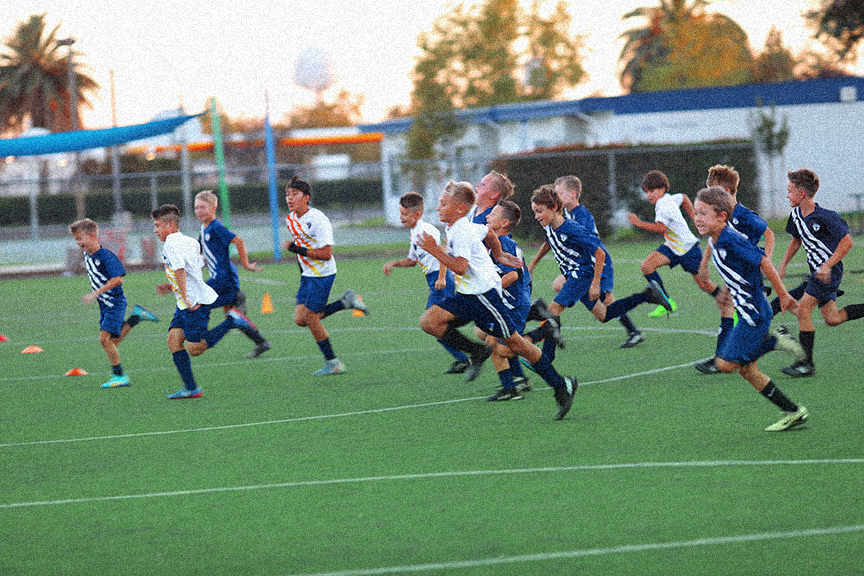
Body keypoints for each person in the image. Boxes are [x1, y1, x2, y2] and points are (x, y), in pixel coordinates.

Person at [418, 180, 576, 420]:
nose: (438, 208)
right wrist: (499, 254)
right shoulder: (463, 225)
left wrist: (434, 250)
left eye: (443, 204)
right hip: (467, 296)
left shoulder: (460, 229)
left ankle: (560, 385)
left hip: (485, 297)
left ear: (460, 208)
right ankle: (477, 353)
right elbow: (488, 232)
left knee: (517, 345)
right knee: (429, 322)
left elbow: (460, 267)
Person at [692, 186, 809, 431]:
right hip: (747, 310)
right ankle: (792, 411)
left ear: (722, 216)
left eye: (703, 213)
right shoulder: (716, 239)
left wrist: (783, 294)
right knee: (747, 370)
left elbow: (763, 261)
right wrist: (727, 290)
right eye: (695, 212)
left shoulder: (730, 239)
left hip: (754, 313)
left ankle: (774, 340)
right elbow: (737, 271)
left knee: (724, 364)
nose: (697, 218)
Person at [528, 185, 672, 357]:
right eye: (535, 212)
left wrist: (596, 282)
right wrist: (532, 264)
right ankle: (647, 295)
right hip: (576, 272)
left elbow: (597, 250)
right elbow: (550, 241)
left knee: (553, 311)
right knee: (604, 314)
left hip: (587, 270)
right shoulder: (550, 224)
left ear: (554, 208)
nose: (536, 216)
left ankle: (544, 359)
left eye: (539, 211)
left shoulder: (574, 222)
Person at [152, 204, 254, 399]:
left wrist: (186, 297)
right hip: (186, 302)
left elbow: (181, 270)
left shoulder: (171, 244)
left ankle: (233, 320)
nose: (155, 230)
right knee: (174, 341)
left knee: (195, 348)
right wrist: (171, 287)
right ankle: (191, 389)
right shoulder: (190, 241)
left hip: (192, 303)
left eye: (158, 226)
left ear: (171, 225)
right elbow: (193, 271)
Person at [771, 168, 864, 377]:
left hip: (829, 274)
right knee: (832, 318)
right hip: (817, 273)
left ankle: (806, 364)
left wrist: (828, 265)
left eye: (789, 191)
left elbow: (847, 242)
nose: (787, 195)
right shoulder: (795, 214)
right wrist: (783, 264)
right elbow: (796, 240)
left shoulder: (825, 216)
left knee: (803, 311)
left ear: (801, 194)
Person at [695, 165, 776, 374]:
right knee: (728, 308)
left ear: (728, 192)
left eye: (716, 192)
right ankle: (726, 355)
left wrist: (766, 260)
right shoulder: (718, 216)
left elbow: (769, 235)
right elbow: (712, 241)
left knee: (741, 311)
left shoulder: (745, 216)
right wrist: (704, 265)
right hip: (732, 272)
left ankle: (726, 356)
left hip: (747, 274)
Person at [283, 176, 368, 376]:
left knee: (312, 318)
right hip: (307, 275)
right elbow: (301, 253)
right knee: (300, 319)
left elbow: (326, 254)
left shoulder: (318, 219)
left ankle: (333, 362)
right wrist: (302, 272)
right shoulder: (291, 220)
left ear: (306, 197)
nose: (290, 198)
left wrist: (296, 249)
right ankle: (345, 302)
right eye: (287, 194)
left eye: (295, 194)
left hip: (322, 274)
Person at [383, 191, 471, 374]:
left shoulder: (426, 230)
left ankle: (465, 357)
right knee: (436, 326)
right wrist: (394, 263)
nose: (401, 218)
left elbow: (443, 252)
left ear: (418, 214)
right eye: (400, 214)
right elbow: (412, 260)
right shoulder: (414, 233)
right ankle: (463, 357)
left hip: (441, 279)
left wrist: (441, 277)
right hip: (433, 280)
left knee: (433, 324)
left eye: (405, 214)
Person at [69, 218, 159, 388]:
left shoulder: (106, 257)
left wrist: (95, 293)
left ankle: (119, 376)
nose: (78, 242)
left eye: (80, 238)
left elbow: (117, 280)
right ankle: (136, 317)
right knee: (112, 343)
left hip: (114, 303)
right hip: (105, 305)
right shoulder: (88, 255)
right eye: (76, 239)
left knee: (104, 340)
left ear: (92, 236)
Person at [194, 190, 270, 359]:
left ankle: (201, 338)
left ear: (213, 208)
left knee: (197, 302)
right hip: (221, 279)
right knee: (233, 315)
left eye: (203, 207)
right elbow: (199, 251)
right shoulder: (203, 228)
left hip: (223, 280)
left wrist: (246, 264)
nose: (199, 211)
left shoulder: (216, 227)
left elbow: (238, 240)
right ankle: (261, 342)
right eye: (196, 207)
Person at [627, 170, 715, 317]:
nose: (649, 195)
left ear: (662, 189)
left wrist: (639, 223)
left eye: (652, 191)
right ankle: (667, 302)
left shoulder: (663, 205)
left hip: (688, 249)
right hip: (673, 247)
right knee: (647, 266)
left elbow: (661, 228)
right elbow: (684, 198)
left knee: (705, 285)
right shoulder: (667, 199)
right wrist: (695, 219)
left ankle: (734, 305)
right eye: (647, 192)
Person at [475, 200, 536, 400]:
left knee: (503, 348)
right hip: (506, 303)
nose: (486, 217)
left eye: (492, 215)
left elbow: (512, 276)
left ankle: (543, 332)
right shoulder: (493, 242)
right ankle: (510, 387)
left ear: (504, 224)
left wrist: (489, 291)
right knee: (485, 336)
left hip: (515, 303)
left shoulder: (505, 243)